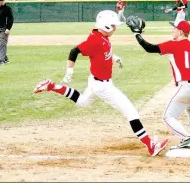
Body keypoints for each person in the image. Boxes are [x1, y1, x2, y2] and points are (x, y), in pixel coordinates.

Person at [33, 10, 170, 156]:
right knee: (131, 112)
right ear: (106, 26)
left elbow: (102, 51)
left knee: (83, 102)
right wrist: (69, 73)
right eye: (113, 25)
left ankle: (51, 86)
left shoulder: (100, 36)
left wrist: (114, 57)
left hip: (95, 81)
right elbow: (74, 51)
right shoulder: (95, 40)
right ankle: (150, 146)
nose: (115, 28)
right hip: (102, 86)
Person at [127, 17, 190, 149]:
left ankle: (187, 138)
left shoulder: (173, 45)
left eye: (175, 28)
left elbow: (149, 48)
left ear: (180, 32)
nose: (173, 30)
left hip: (188, 87)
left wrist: (137, 34)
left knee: (168, 116)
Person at [0, 0, 14, 65]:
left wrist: (8, 28)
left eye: (2, 1)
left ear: (4, 1)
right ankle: (5, 58)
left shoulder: (7, 9)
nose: (1, 2)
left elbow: (11, 19)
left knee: (2, 45)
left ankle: (1, 61)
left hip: (3, 30)